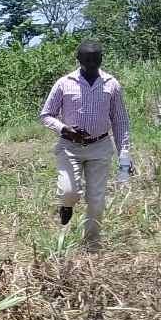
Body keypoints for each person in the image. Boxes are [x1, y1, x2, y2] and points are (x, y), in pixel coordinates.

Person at [39, 39, 132, 248]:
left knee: (97, 201)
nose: (91, 64)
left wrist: (125, 154)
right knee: (69, 192)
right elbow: (46, 115)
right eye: (87, 60)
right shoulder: (64, 83)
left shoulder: (111, 85)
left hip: (100, 146)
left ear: (101, 59)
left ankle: (91, 244)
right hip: (69, 147)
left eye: (95, 59)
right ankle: (67, 205)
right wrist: (64, 129)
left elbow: (120, 121)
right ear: (78, 59)